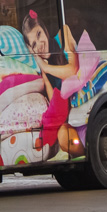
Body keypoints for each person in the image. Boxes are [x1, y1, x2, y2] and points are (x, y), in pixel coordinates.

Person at [20, 10, 82, 157]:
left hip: (91, 91)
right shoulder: (43, 69)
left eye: (39, 34)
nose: (40, 44)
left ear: (45, 29)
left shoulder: (63, 34)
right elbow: (54, 101)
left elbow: (73, 69)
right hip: (74, 113)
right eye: (34, 44)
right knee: (63, 137)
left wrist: (46, 67)